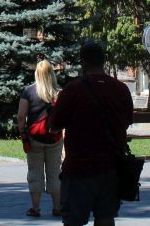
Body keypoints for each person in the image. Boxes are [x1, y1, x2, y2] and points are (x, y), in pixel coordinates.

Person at [48, 42, 133, 226]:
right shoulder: (121, 89)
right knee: (106, 218)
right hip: (112, 168)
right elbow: (127, 122)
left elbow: (54, 125)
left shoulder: (72, 90)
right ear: (104, 61)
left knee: (73, 220)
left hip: (80, 168)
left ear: (83, 62)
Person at [17, 59, 63, 217]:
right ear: (52, 74)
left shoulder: (29, 91)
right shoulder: (58, 93)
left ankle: (35, 208)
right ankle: (57, 207)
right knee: (55, 173)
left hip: (34, 138)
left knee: (35, 172)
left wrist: (23, 133)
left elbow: (21, 116)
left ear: (37, 73)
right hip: (54, 139)